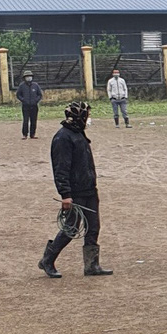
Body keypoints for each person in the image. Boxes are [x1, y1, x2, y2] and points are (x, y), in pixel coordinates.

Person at [38, 102, 112, 278]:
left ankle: (92, 265)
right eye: (86, 115)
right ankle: (48, 259)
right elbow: (61, 169)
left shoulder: (78, 133)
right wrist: (66, 195)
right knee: (71, 229)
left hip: (89, 190)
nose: (88, 119)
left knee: (93, 227)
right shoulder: (63, 138)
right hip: (75, 192)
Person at [16, 70, 43, 140]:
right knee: (25, 121)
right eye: (27, 76)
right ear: (24, 78)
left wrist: (36, 101)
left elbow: (40, 95)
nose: (29, 78)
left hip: (34, 106)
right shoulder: (22, 86)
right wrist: (23, 100)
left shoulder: (35, 85)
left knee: (34, 121)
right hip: (25, 106)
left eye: (30, 76)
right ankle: (25, 134)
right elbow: (18, 94)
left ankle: (32, 134)